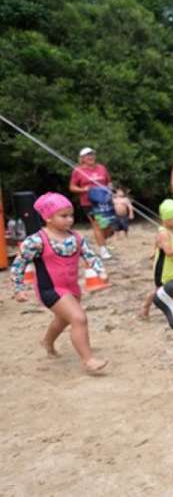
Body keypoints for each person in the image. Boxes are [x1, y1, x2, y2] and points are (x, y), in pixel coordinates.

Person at [10, 192, 109, 373]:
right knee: (79, 318)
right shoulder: (37, 241)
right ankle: (88, 360)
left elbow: (89, 255)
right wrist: (18, 289)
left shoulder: (77, 238)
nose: (69, 220)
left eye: (71, 215)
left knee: (63, 320)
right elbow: (19, 264)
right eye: (63, 216)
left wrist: (100, 271)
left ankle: (47, 342)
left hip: (72, 288)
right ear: (47, 217)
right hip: (50, 290)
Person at [69, 147, 113, 259]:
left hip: (104, 200)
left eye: (92, 154)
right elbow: (72, 187)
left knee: (108, 225)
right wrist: (84, 189)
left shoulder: (102, 168)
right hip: (89, 202)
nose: (90, 157)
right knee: (97, 224)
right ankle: (103, 249)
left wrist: (110, 190)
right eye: (87, 155)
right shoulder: (78, 171)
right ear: (82, 158)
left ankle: (101, 241)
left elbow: (109, 182)